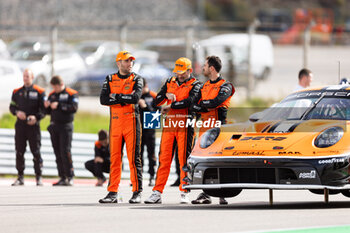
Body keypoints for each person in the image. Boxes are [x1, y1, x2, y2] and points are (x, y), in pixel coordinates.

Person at [145, 57, 201, 204]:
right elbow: (157, 99)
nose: (179, 75)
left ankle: (184, 191)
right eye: (177, 72)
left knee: (184, 160)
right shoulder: (170, 81)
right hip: (169, 125)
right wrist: (167, 96)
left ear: (190, 70)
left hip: (185, 125)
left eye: (182, 72)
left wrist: (172, 105)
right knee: (164, 159)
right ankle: (157, 192)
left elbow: (191, 101)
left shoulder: (196, 85)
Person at [99, 50, 143, 204]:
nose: (129, 63)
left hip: (131, 122)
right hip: (115, 123)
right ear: (118, 63)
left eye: (131, 61)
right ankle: (112, 192)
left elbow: (136, 98)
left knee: (133, 159)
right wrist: (125, 98)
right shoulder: (110, 78)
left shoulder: (137, 78)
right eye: (126, 61)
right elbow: (103, 99)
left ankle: (137, 192)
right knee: (115, 159)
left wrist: (116, 96)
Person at [191, 56, 235, 205]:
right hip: (204, 131)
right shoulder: (203, 86)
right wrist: (206, 105)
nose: (202, 68)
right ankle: (206, 194)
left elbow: (217, 102)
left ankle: (223, 193)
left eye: (204, 65)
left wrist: (204, 104)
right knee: (204, 163)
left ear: (211, 68)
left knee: (218, 162)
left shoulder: (226, 85)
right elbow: (193, 105)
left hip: (218, 130)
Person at [9, 69, 46, 186]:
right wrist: (17, 113)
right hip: (20, 126)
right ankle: (20, 177)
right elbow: (12, 107)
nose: (25, 78)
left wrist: (36, 118)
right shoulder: (17, 91)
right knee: (19, 151)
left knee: (36, 152)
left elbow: (44, 110)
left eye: (27, 76)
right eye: (24, 76)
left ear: (32, 77)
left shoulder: (40, 91)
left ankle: (38, 177)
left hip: (33, 127)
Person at [44, 75, 78, 186]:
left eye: (55, 87)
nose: (54, 89)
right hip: (54, 126)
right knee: (57, 152)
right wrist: (47, 106)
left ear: (59, 85)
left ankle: (70, 176)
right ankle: (62, 177)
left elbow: (74, 108)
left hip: (66, 126)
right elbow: (48, 112)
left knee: (65, 151)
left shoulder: (71, 93)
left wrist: (59, 105)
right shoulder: (52, 95)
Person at [139, 78, 158, 187]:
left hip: (150, 129)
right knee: (139, 155)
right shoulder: (136, 96)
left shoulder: (153, 96)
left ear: (145, 86)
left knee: (151, 155)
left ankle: (152, 176)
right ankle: (138, 177)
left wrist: (146, 106)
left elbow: (158, 113)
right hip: (139, 130)